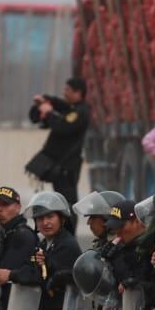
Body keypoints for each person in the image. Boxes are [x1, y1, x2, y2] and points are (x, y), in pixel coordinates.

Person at [27, 77, 90, 211]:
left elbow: (63, 127)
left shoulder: (81, 112)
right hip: (61, 166)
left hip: (67, 167)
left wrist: (49, 112)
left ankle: (69, 231)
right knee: (61, 202)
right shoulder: (72, 109)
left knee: (66, 203)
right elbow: (60, 106)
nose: (64, 92)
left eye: (67, 90)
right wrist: (45, 101)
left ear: (78, 93)